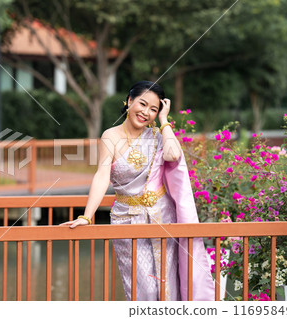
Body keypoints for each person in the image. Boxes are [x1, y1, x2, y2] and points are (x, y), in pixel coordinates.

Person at [61, 81, 215, 301]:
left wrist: (164, 121)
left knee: (168, 284)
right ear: (130, 101)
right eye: (142, 104)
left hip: (163, 217)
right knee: (146, 289)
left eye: (153, 109)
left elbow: (173, 155)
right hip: (127, 220)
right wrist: (87, 216)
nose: (146, 112)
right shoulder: (110, 136)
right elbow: (102, 175)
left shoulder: (156, 137)